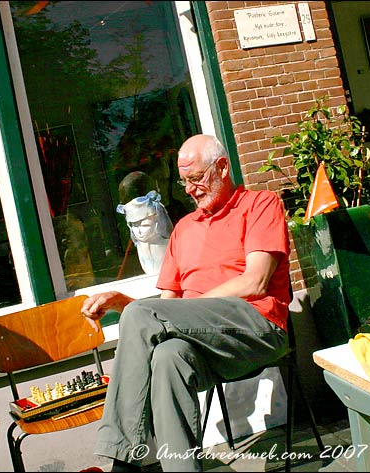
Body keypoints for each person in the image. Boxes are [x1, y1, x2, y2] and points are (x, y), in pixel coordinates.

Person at [81, 134, 291, 472]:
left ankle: (124, 461)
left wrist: (181, 310)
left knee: (144, 315)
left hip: (256, 327)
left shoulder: (260, 204)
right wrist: (123, 302)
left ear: (222, 167)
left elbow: (256, 281)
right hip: (206, 344)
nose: (190, 189)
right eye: (184, 181)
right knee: (168, 356)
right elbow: (165, 312)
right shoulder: (183, 229)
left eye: (196, 178)